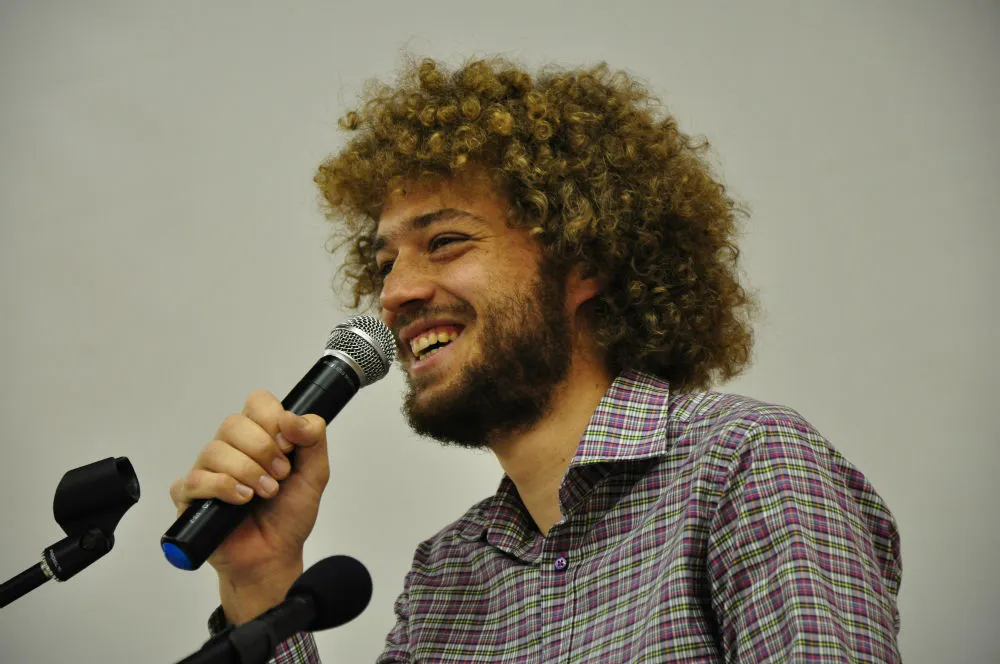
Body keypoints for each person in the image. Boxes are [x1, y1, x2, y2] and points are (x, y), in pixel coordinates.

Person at [170, 56, 902, 662]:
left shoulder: (748, 465)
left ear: (585, 261)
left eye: (445, 241)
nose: (393, 294)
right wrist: (261, 582)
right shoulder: (446, 578)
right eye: (384, 264)